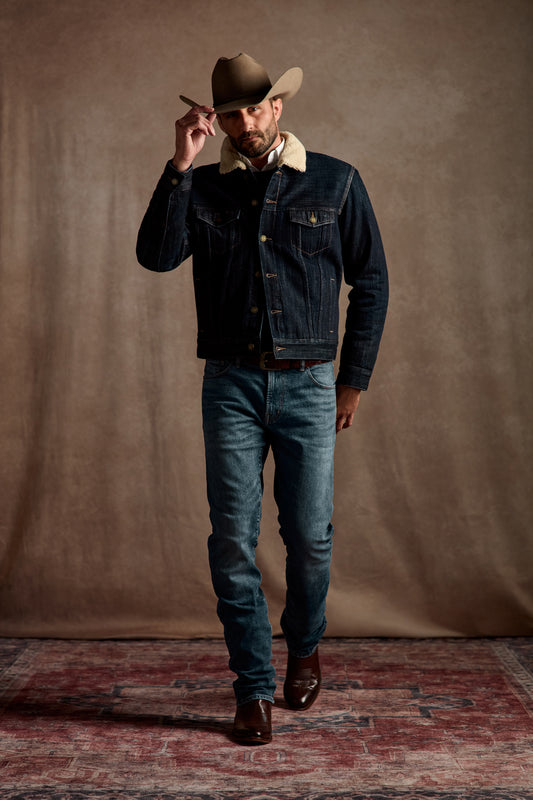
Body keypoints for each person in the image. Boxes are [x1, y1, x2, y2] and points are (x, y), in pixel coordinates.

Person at [136, 52, 388, 745]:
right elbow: (156, 256)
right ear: (215, 120)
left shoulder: (335, 180)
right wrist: (179, 164)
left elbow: (370, 282)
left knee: (308, 537)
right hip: (231, 385)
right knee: (231, 541)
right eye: (229, 114)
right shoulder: (202, 186)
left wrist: (353, 380)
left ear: (278, 107)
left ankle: (303, 645)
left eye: (254, 108)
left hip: (310, 384)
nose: (243, 122)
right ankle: (251, 687)